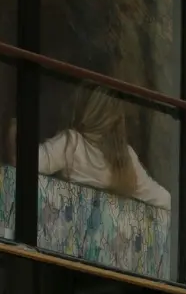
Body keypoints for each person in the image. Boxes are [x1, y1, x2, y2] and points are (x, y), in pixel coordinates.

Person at [10, 86, 171, 210]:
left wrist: (13, 128)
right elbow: (164, 200)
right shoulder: (126, 157)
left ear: (88, 110)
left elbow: (25, 162)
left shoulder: (72, 144)